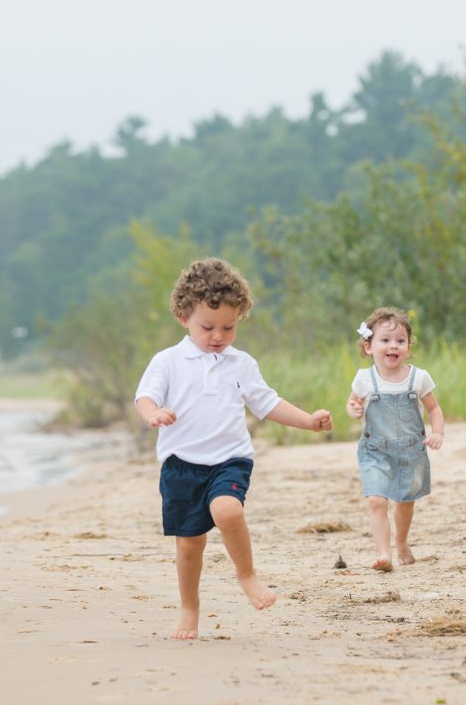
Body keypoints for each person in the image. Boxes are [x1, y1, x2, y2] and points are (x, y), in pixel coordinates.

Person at [135, 258, 334, 640]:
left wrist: (308, 420)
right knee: (190, 544)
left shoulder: (241, 363)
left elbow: (267, 403)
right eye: (207, 327)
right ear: (182, 317)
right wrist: (153, 413)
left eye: (229, 326)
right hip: (180, 465)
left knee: (227, 510)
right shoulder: (168, 361)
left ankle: (247, 576)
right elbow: (145, 396)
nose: (218, 336)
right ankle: (189, 609)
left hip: (230, 459)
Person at [345, 307, 445, 571]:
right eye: (385, 341)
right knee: (376, 500)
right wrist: (354, 410)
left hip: (411, 452)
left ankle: (401, 541)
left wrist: (437, 433)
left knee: (404, 503)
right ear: (368, 347)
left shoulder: (418, 378)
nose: (393, 346)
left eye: (400, 341)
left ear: (408, 348)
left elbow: (434, 408)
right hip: (375, 451)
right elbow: (352, 403)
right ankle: (383, 553)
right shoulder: (364, 379)